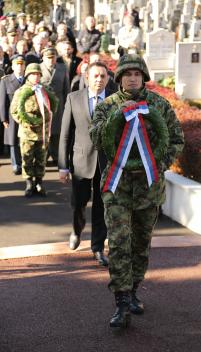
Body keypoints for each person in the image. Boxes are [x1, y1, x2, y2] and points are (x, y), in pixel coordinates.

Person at [89, 54, 184, 328]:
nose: (132, 78)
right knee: (119, 243)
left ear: (144, 77)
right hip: (117, 186)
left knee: (141, 244)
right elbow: (96, 138)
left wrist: (159, 163)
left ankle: (133, 291)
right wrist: (118, 116)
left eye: (136, 74)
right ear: (118, 79)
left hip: (148, 187)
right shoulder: (107, 106)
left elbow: (176, 139)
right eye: (126, 74)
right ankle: (120, 302)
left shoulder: (159, 105)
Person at [58, 61, 116, 266]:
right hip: (81, 162)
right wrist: (63, 166)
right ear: (87, 78)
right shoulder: (74, 98)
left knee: (102, 207)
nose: (99, 79)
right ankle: (76, 230)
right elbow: (65, 134)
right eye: (96, 76)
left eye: (103, 76)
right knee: (79, 204)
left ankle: (98, 248)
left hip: (106, 163)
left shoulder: (115, 100)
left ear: (108, 79)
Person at [10, 63, 58, 197]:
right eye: (33, 74)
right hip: (27, 132)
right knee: (27, 159)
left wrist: (47, 119)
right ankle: (29, 183)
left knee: (41, 159)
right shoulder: (21, 92)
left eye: (38, 74)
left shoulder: (46, 90)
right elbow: (14, 111)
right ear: (28, 76)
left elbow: (53, 107)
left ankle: (39, 182)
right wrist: (25, 121)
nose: (36, 77)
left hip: (43, 132)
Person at [40, 47, 70, 165]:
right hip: (43, 103)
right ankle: (44, 156)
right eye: (48, 58)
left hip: (59, 103)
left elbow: (66, 88)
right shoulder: (39, 68)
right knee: (45, 131)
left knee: (57, 131)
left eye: (53, 57)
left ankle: (57, 156)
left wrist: (68, 104)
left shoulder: (62, 68)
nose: (51, 60)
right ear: (43, 58)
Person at [0, 54, 25, 175]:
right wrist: (4, 118)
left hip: (26, 115)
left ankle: (25, 163)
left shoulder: (28, 79)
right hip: (12, 116)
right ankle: (16, 164)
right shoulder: (5, 80)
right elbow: (2, 101)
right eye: (17, 64)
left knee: (25, 140)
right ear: (13, 66)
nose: (20, 67)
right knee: (13, 141)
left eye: (22, 64)